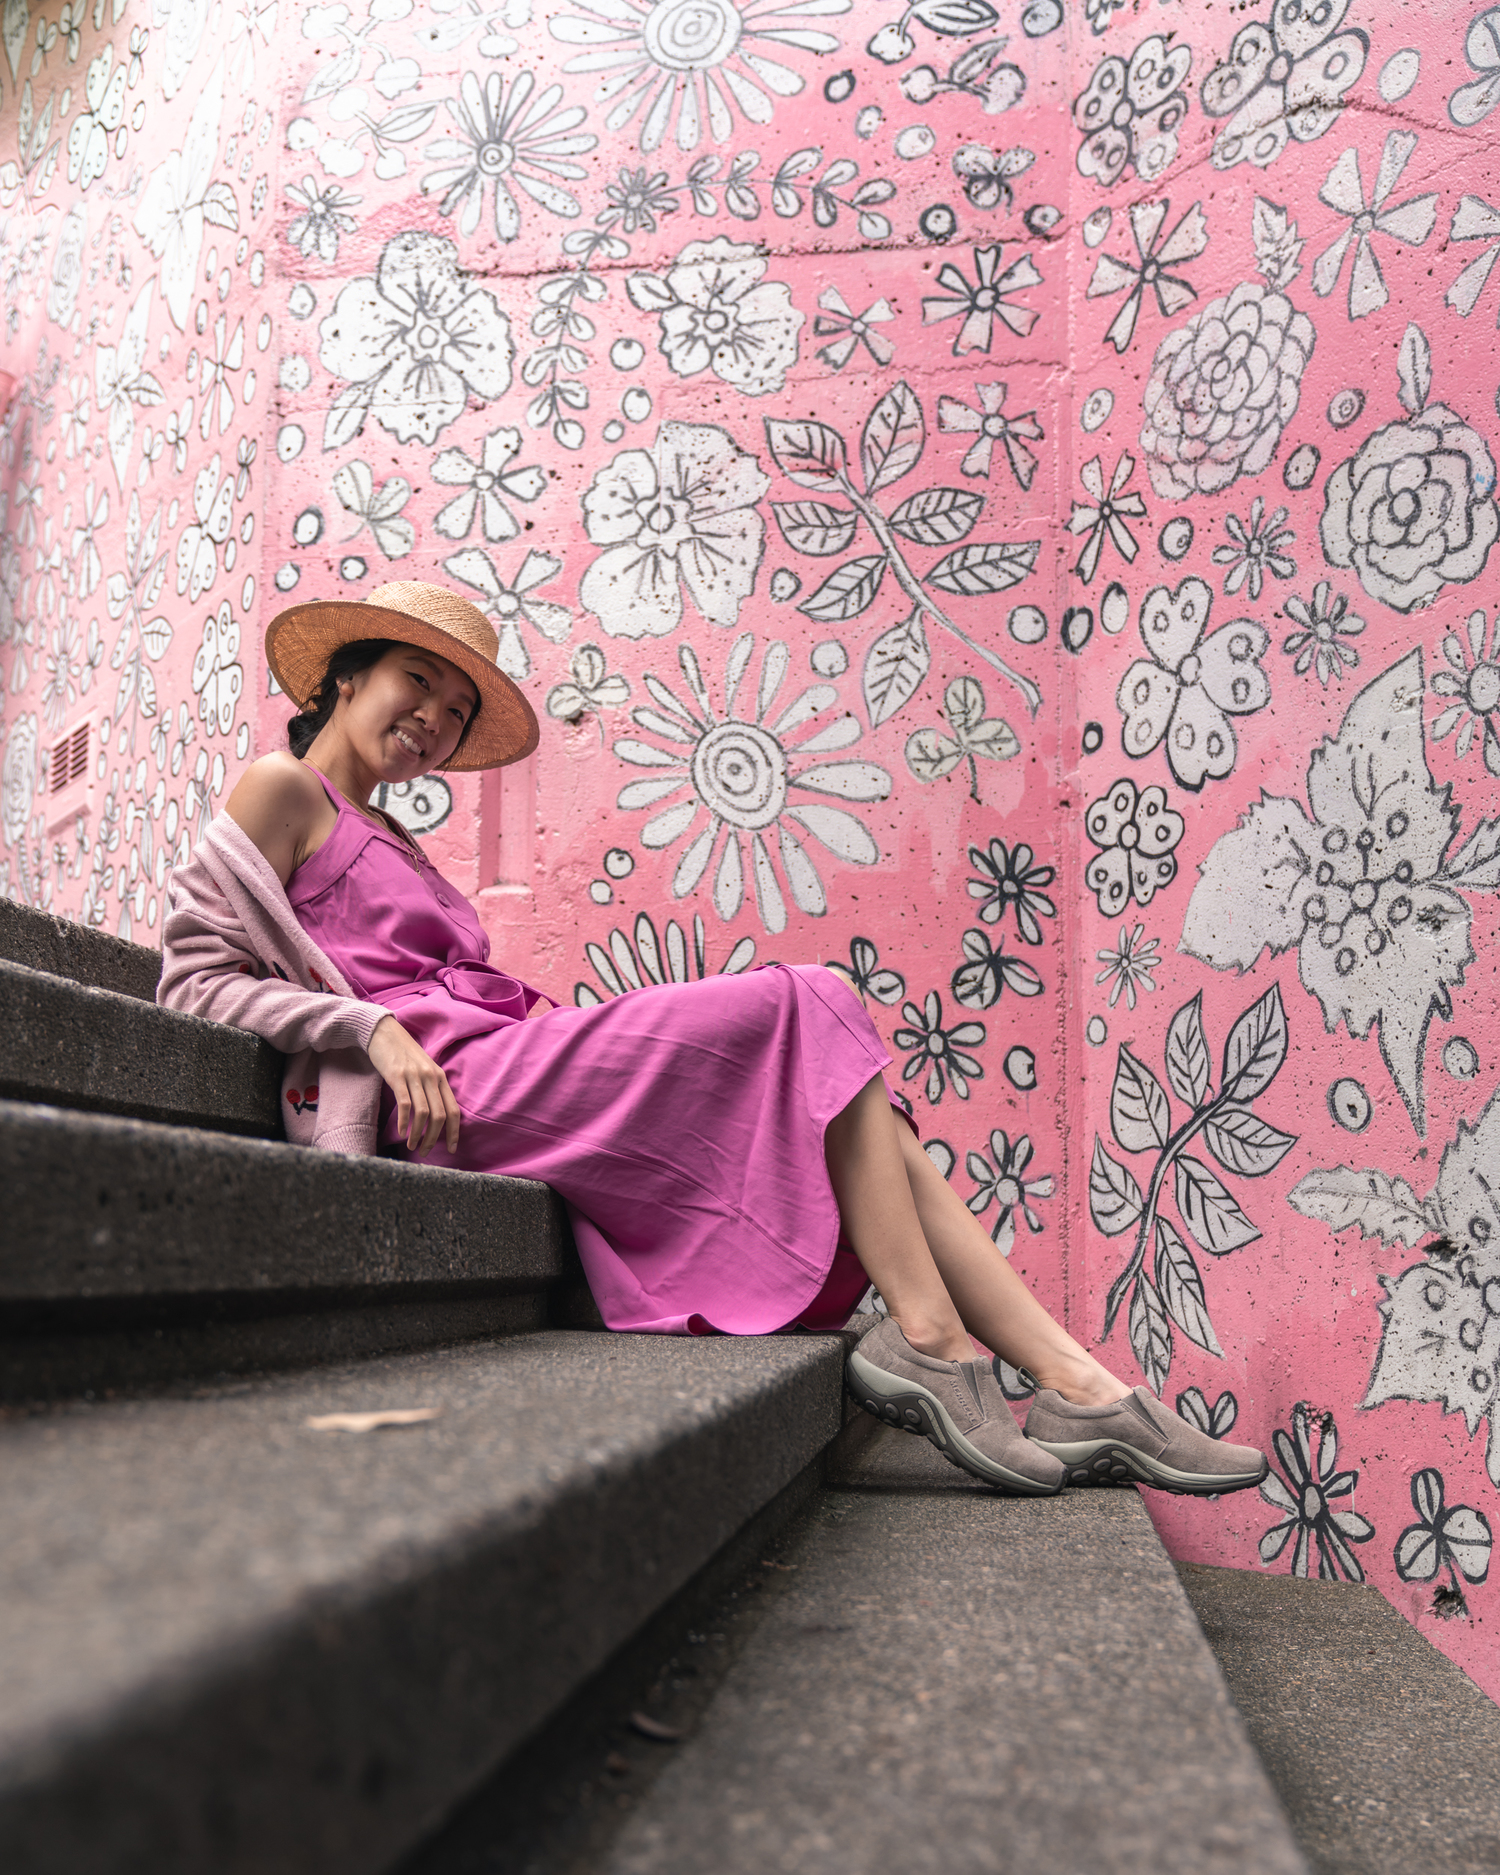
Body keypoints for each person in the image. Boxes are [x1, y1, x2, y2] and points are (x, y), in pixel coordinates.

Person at [163, 581, 1267, 1500]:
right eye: (420, 683)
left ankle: (1080, 1388)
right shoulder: (281, 786)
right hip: (454, 1083)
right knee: (810, 1000)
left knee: (851, 1097)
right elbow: (191, 979)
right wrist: (369, 1027)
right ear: (347, 674)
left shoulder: (397, 838)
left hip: (507, 1052)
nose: (435, 720)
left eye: (457, 710)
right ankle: (934, 1345)